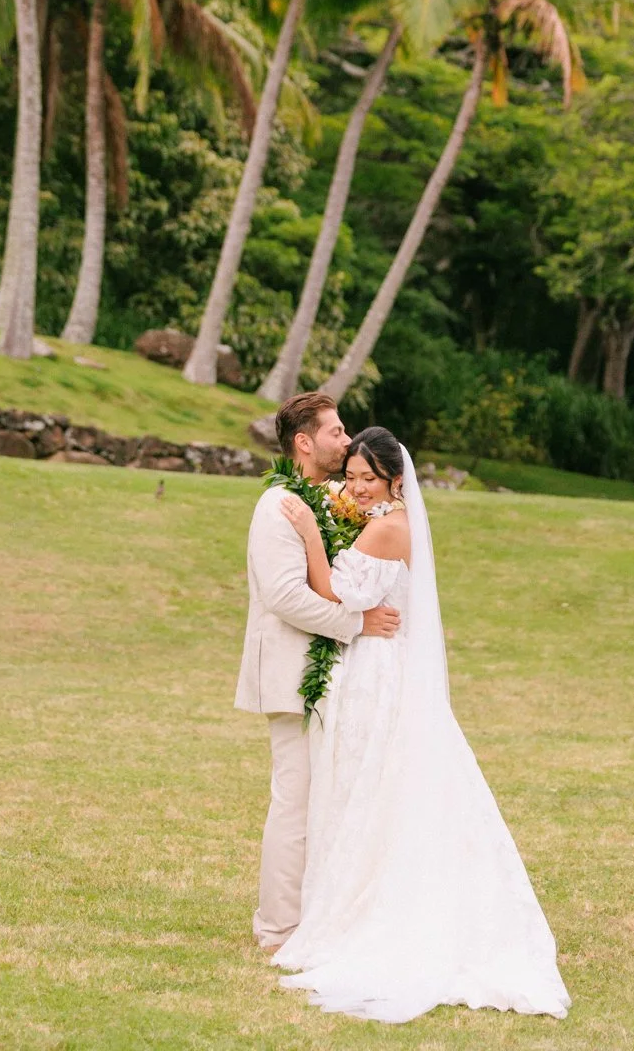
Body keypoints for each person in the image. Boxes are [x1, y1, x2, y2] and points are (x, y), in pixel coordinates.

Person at [271, 426, 571, 1024]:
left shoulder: (387, 526)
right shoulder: (386, 520)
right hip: (383, 664)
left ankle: (364, 913)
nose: (354, 488)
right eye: (350, 476)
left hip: (377, 672)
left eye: (367, 479)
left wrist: (309, 533)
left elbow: (335, 590)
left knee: (369, 789)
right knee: (375, 789)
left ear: (395, 481)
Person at [235, 392, 401, 951]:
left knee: (322, 800)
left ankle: (319, 916)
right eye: (334, 431)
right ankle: (278, 928)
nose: (344, 438)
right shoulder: (278, 504)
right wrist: (357, 624)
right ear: (304, 442)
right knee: (295, 801)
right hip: (289, 674)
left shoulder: (324, 499)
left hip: (331, 677)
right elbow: (284, 595)